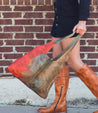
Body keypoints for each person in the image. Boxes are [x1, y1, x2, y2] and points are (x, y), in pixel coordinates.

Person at [38, 0, 98, 113]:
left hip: (71, 22)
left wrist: (82, 21)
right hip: (59, 20)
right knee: (58, 61)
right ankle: (59, 104)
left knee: (74, 62)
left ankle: (60, 104)